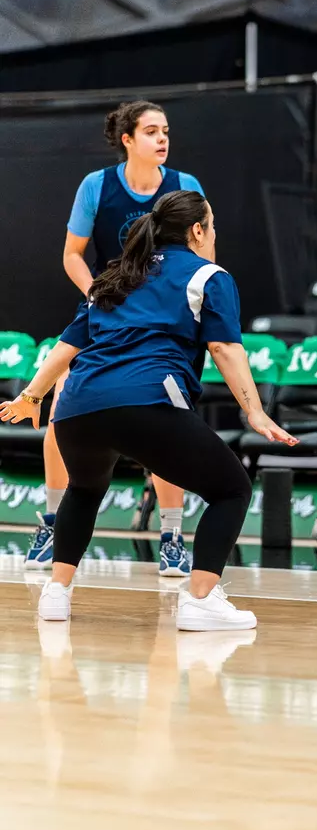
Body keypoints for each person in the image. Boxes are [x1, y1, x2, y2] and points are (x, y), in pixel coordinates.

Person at [1, 190, 297, 629]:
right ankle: (199, 600)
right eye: (212, 225)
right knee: (231, 489)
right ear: (197, 231)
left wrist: (32, 397)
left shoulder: (117, 275)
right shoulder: (209, 276)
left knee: (83, 491)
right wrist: (254, 412)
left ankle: (56, 593)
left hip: (77, 405)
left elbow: (68, 345)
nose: (214, 233)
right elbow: (224, 348)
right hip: (146, 399)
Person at [27, 100, 205, 577]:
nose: (162, 139)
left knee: (167, 417)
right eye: (151, 131)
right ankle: (52, 521)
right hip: (104, 308)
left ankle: (171, 534)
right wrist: (98, 297)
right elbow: (72, 254)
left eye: (166, 130)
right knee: (63, 402)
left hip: (161, 319)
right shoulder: (97, 186)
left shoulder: (185, 186)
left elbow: (204, 252)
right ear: (127, 139)